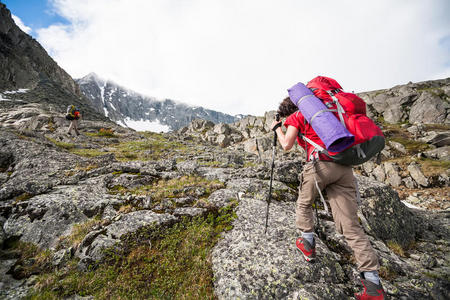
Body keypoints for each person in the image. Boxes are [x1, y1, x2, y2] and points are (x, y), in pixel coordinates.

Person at [271, 97, 387, 300]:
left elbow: (286, 144)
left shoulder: (298, 116)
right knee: (350, 225)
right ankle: (373, 285)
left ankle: (307, 244)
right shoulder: (329, 114)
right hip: (344, 168)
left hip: (320, 166)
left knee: (305, 203)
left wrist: (277, 129)